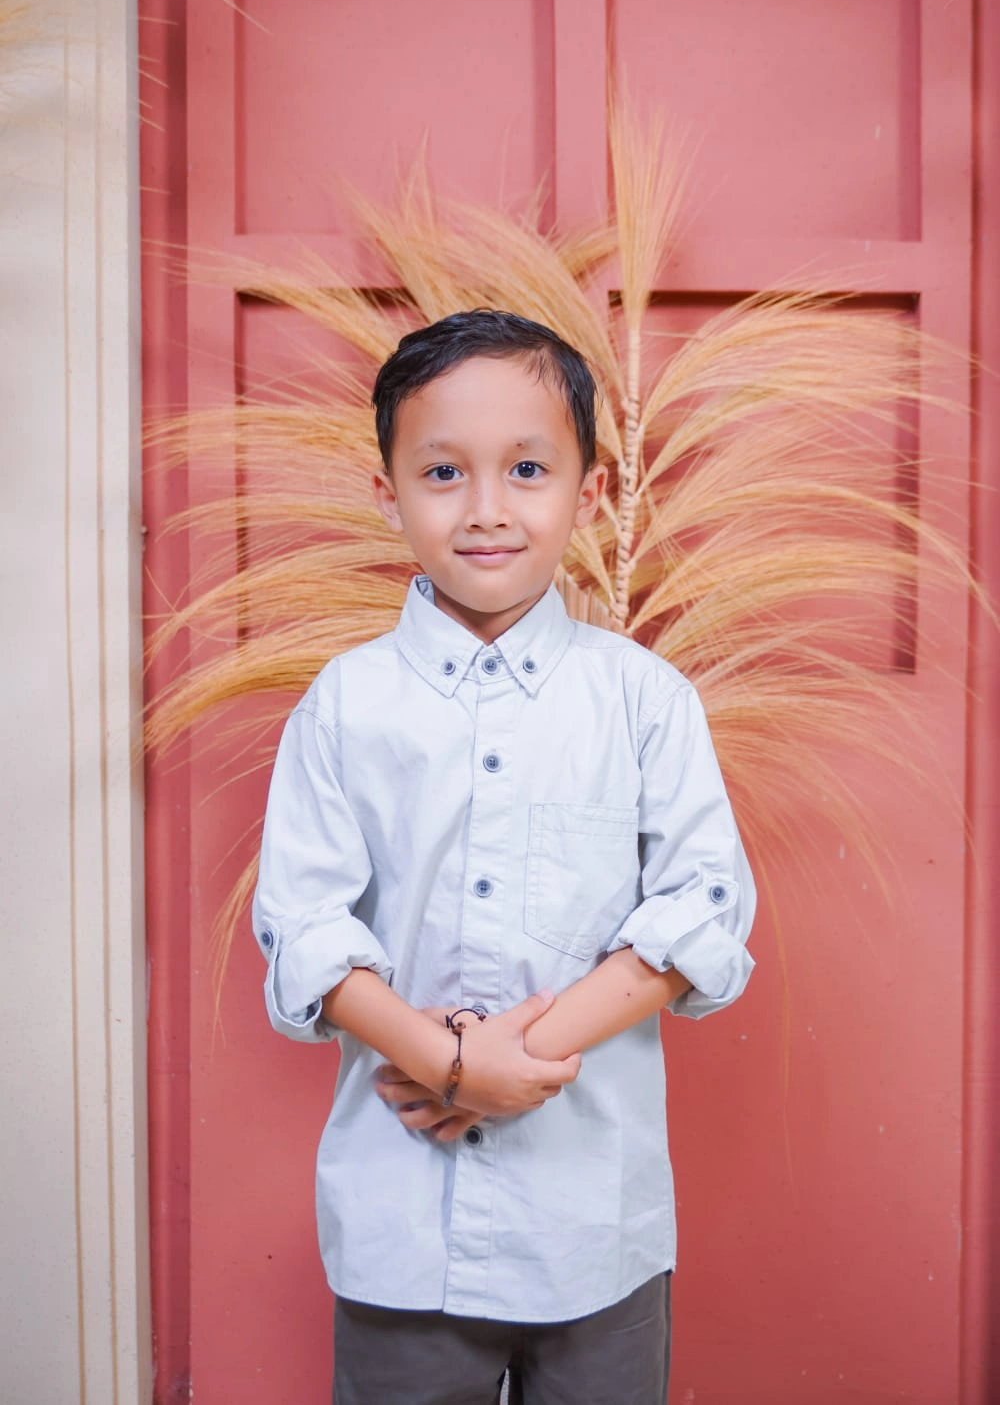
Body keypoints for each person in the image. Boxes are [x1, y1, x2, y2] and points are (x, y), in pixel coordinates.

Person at [252, 309, 756, 1405]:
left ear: (591, 489)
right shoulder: (344, 705)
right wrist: (440, 1059)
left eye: (527, 468)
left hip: (594, 1226)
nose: (486, 509)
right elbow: (304, 927)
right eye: (443, 472)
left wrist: (509, 1058)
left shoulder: (643, 700)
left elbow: (701, 913)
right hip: (400, 1225)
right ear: (387, 493)